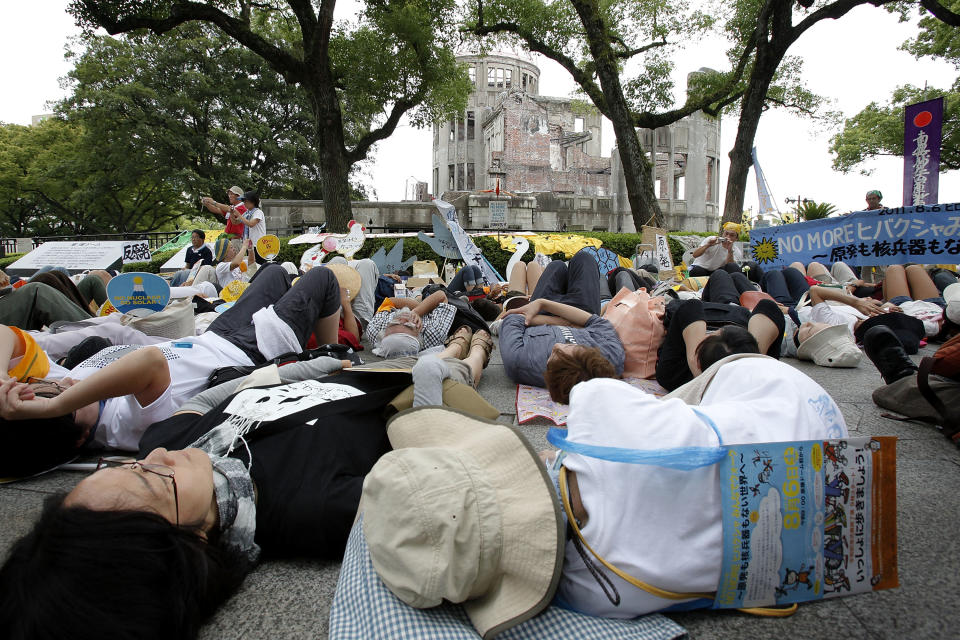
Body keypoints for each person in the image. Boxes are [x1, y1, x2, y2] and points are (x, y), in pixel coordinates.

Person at [358, 355, 847, 637]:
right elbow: (598, 385)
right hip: (804, 408)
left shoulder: (593, 596)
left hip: (829, 524)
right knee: (697, 392)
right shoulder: (598, 408)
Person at [0, 362, 415, 639]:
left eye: (126, 467)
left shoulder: (161, 442)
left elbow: (201, 403)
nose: (154, 458)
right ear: (193, 541)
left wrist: (308, 366)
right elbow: (438, 453)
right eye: (155, 481)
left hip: (347, 364)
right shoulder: (314, 508)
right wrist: (465, 356)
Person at [0, 264, 342, 467]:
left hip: (215, 336)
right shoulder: (123, 426)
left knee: (273, 272)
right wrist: (56, 405)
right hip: (248, 352)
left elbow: (4, 333)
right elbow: (148, 363)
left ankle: (327, 334)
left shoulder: (70, 384)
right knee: (324, 278)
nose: (65, 387)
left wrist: (4, 379)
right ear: (81, 439)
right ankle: (336, 350)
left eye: (53, 388)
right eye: (65, 404)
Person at [498, 249, 625, 388]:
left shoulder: (520, 361)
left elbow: (513, 319)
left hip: (544, 314)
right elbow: (597, 321)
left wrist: (543, 305)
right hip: (580, 312)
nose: (557, 346)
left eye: (554, 358)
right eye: (567, 353)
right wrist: (570, 322)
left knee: (556, 266)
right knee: (584, 257)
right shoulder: (610, 361)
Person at [238, 191, 267, 263]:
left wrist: (239, 215)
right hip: (249, 245)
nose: (244, 203)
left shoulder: (258, 212)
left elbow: (251, 224)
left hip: (258, 245)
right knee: (251, 266)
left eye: (245, 201)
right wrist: (232, 213)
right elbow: (235, 222)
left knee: (259, 265)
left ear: (253, 201)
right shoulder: (247, 213)